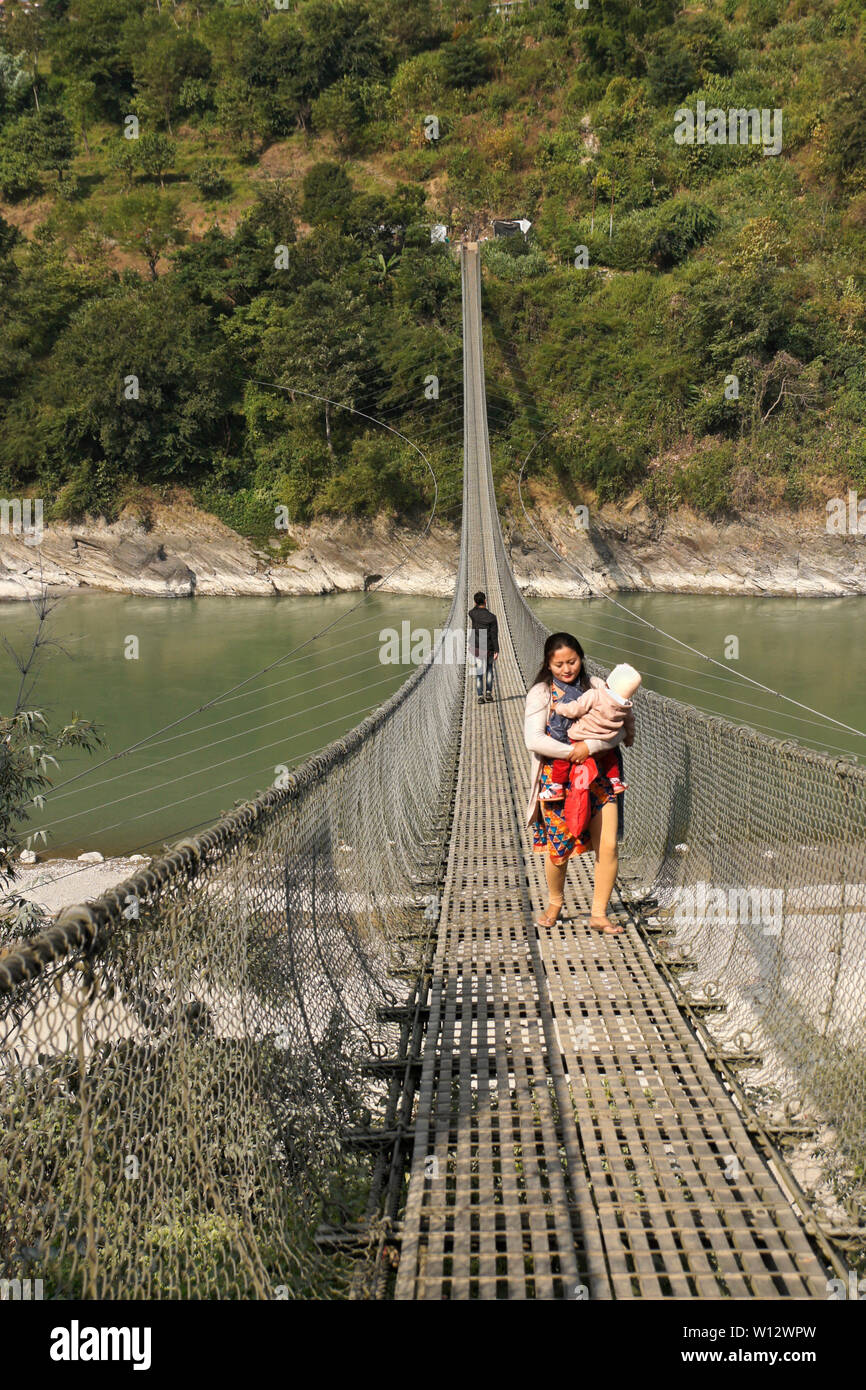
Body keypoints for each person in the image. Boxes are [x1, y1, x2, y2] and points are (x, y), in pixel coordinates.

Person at [524, 632, 634, 935]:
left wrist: (590, 748)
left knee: (608, 846)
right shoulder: (540, 694)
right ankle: (555, 903)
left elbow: (620, 728)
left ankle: (599, 914)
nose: (566, 669)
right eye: (558, 664)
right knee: (559, 850)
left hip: (599, 777)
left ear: (581, 658)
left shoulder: (598, 686)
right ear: (548, 664)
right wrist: (573, 752)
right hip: (557, 781)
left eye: (571, 661)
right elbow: (533, 739)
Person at [544, 663, 640, 800]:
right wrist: (629, 739)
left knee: (563, 757)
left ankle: (557, 786)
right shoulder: (625, 707)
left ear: (609, 681)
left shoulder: (595, 695)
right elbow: (630, 724)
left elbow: (576, 709)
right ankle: (615, 782)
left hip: (580, 736)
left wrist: (559, 707)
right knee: (610, 758)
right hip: (605, 740)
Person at [468, 591, 499, 705]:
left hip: (477, 647)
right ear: (485, 601)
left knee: (479, 672)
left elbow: (471, 611)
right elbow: (494, 635)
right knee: (489, 669)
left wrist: (476, 604)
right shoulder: (492, 617)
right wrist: (496, 650)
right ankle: (489, 693)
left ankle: (480, 696)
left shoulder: (473, 614)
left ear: (475, 602)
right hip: (490, 647)